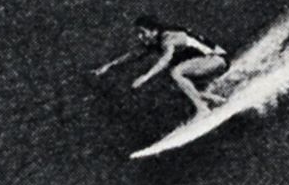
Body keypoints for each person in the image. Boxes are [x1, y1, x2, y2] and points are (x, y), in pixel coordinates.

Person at [93, 16, 229, 118]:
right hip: (206, 63)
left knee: (176, 72)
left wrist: (145, 77)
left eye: (142, 32)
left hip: (217, 59)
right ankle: (218, 101)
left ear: (154, 30)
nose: (139, 37)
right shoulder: (154, 40)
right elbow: (133, 55)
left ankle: (203, 109)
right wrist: (109, 65)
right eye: (137, 33)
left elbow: (165, 60)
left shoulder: (169, 37)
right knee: (177, 85)